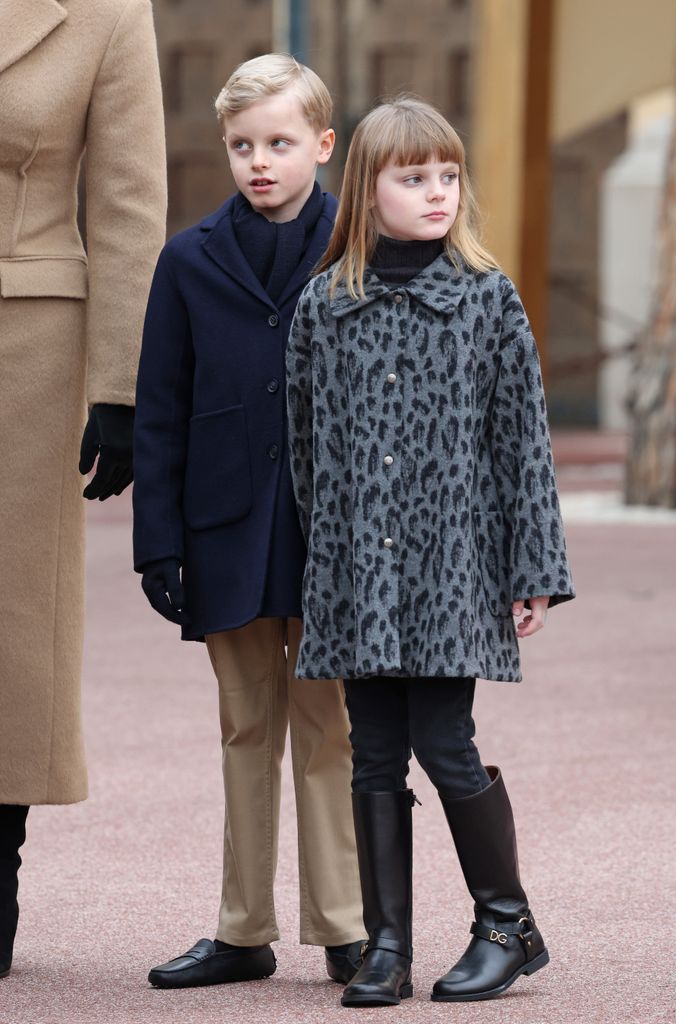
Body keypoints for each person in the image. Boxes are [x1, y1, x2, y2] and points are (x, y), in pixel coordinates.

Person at [285, 96, 576, 1008]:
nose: (437, 192)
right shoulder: (323, 309)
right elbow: (305, 449)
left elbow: (522, 445)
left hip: (454, 571)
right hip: (355, 575)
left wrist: (533, 572)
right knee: (371, 752)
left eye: (448, 175)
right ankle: (386, 945)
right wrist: (328, 556)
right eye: (414, 178)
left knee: (445, 742)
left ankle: (504, 923)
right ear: (368, 193)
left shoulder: (486, 300)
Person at [133, 54, 365, 991]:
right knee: (242, 725)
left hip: (331, 535)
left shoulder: (360, 251)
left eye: (277, 143)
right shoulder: (188, 259)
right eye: (240, 146)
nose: (257, 163)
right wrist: (159, 541)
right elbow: (160, 407)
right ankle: (241, 930)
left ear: (322, 144)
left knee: (329, 725)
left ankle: (346, 926)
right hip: (225, 526)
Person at [0, 0, 166, 979]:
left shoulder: (105, 8)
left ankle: (0, 853)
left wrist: (121, 386)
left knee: (14, 616)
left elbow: (128, 197)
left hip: (24, 346)